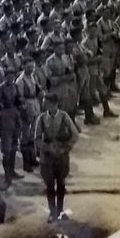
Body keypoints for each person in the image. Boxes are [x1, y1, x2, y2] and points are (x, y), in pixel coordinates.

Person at [34, 92, 77, 223]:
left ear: (54, 104)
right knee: (49, 185)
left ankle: (60, 210)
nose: (44, 104)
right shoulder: (41, 119)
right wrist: (47, 149)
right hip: (47, 157)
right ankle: (52, 212)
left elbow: (75, 135)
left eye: (46, 102)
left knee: (61, 183)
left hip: (61, 156)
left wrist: (65, 148)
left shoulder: (64, 117)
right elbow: (37, 138)